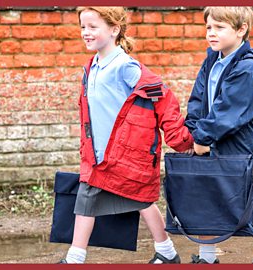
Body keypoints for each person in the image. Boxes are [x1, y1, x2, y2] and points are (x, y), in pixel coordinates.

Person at [59, 7, 193, 264]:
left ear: (114, 29)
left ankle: (165, 252)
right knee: (93, 198)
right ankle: (77, 258)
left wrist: (180, 139)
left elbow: (163, 100)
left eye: (93, 27)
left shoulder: (125, 67)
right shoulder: (92, 67)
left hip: (126, 155)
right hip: (98, 155)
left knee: (139, 199)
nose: (85, 33)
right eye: (82, 27)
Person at [184, 6, 253, 264]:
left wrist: (202, 138)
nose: (211, 34)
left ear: (241, 30)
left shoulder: (248, 69)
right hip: (212, 145)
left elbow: (229, 112)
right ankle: (206, 257)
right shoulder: (212, 60)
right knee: (206, 201)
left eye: (219, 28)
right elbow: (197, 99)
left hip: (243, 151)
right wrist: (195, 131)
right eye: (208, 27)